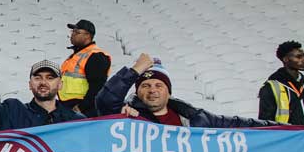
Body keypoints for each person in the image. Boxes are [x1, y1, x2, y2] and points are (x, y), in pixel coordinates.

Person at [98, 54, 276, 129]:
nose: (152, 90)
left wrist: (283, 130)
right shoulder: (126, 115)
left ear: (168, 92)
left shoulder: (194, 117)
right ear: (137, 92)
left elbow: (237, 125)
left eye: (159, 85)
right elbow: (105, 101)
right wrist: (136, 70)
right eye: (145, 86)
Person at [0, 51, 83, 130]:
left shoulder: (77, 121)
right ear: (30, 84)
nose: (43, 82)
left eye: (50, 78)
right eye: (37, 78)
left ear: (60, 85)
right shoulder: (12, 111)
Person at [260, 40, 304, 152]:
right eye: (298, 57)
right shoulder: (272, 87)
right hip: (289, 143)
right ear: (286, 59)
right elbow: (265, 121)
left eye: (303, 56)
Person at [60, 19, 112, 116]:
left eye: (77, 32)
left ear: (87, 35)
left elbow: (97, 86)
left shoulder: (95, 55)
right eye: (72, 31)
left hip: (83, 110)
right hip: (69, 106)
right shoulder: (78, 54)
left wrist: (82, 107)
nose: (72, 34)